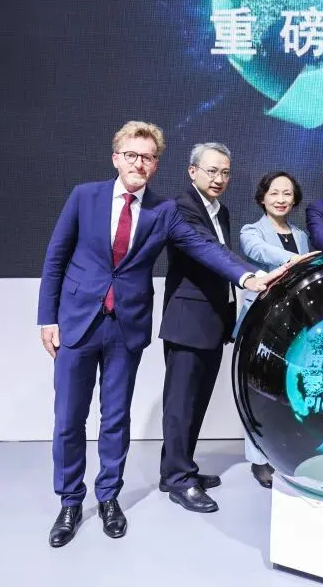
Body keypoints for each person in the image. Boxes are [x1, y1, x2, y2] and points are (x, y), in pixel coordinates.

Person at [37, 122, 274, 548]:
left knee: (116, 419)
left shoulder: (164, 210)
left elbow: (203, 246)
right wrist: (46, 318)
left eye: (147, 157)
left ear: (156, 164)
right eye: (131, 155)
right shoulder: (85, 196)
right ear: (116, 158)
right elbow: (56, 258)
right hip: (77, 323)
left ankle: (108, 497)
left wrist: (247, 276)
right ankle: (70, 502)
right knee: (69, 419)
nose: (139, 163)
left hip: (125, 326)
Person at [157, 142, 260, 514]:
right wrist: (250, 276)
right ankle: (178, 479)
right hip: (187, 320)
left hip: (214, 320)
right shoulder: (181, 207)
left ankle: (179, 469)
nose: (219, 179)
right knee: (180, 404)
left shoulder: (221, 210)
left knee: (196, 402)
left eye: (225, 172)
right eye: (212, 171)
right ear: (192, 171)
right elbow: (208, 252)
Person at [235, 171, 311, 489]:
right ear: (263, 197)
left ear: (294, 199)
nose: (280, 199)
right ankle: (258, 459)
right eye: (274, 193)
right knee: (256, 392)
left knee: (288, 391)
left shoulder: (301, 235)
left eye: (287, 193)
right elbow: (259, 252)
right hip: (260, 321)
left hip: (294, 324)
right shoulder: (251, 231)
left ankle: (285, 450)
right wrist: (299, 260)